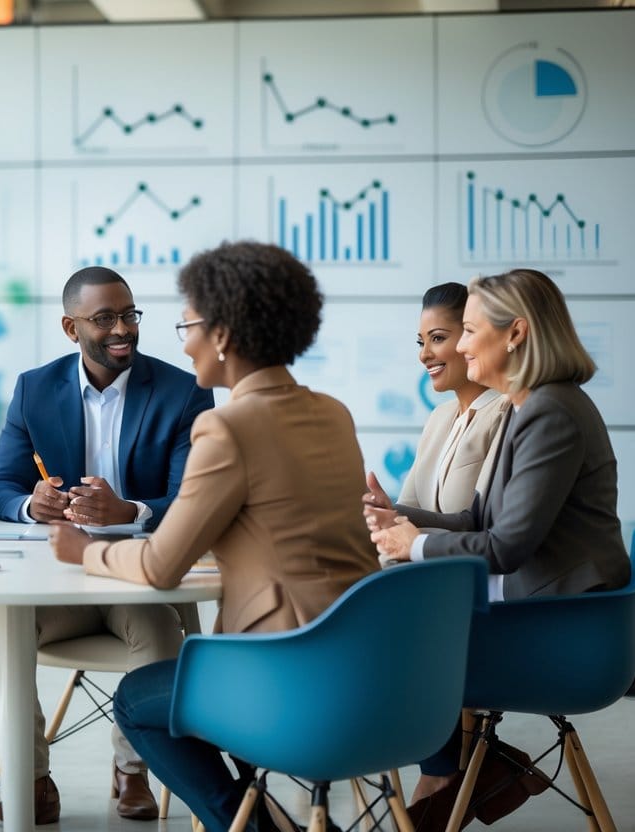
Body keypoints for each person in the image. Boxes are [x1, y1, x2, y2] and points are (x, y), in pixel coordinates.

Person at [49, 242, 377, 832]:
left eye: (189, 325)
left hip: (285, 674)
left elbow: (159, 568)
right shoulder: (333, 412)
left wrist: (83, 549)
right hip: (371, 666)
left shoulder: (227, 426)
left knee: (138, 702)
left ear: (222, 333)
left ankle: (255, 828)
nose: (182, 342)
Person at [366, 268, 631, 828]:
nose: (458, 346)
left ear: (515, 334)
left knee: (395, 643)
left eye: (466, 330)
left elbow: (507, 546)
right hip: (543, 613)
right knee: (395, 631)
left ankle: (451, 775)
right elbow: (477, 520)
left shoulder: (551, 412)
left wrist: (414, 548)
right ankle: (467, 771)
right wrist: (398, 516)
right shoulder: (527, 406)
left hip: (566, 635)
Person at [0, 265, 215, 822]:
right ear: (71, 328)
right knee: (6, 623)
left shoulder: (184, 392)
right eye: (104, 318)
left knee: (160, 630)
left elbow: (192, 498)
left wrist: (131, 511)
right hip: (55, 579)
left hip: (132, 574)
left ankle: (132, 769)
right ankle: (31, 777)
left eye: (129, 315)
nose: (122, 329)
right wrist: (29, 505)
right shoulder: (34, 389)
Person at [384, 282, 509, 515]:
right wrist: (384, 511)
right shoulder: (439, 417)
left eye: (438, 338)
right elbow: (409, 507)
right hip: (422, 550)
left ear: (472, 337)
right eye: (421, 342)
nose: (424, 354)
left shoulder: (506, 412)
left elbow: (486, 525)